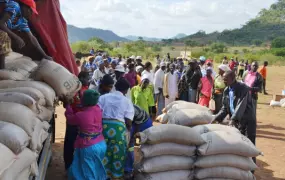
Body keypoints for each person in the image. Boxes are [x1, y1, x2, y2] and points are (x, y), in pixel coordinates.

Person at [214, 71, 257, 163]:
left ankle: (251, 170)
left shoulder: (243, 88)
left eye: (226, 79)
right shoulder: (227, 90)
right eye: (223, 79)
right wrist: (216, 118)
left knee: (249, 144)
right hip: (237, 121)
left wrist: (233, 119)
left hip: (247, 121)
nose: (224, 81)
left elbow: (241, 105)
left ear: (233, 78)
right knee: (239, 144)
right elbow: (225, 108)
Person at [64, 89, 107, 180]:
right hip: (101, 143)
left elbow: (70, 119)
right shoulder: (98, 109)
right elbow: (87, 108)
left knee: (88, 173)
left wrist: (68, 106)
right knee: (97, 168)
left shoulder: (80, 115)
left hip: (88, 147)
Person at [99, 78, 134, 179]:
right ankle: (115, 176)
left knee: (104, 152)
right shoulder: (127, 101)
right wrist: (128, 132)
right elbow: (128, 121)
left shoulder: (104, 97)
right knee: (118, 154)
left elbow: (97, 113)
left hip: (103, 128)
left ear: (115, 86)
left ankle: (102, 175)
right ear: (126, 90)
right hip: (118, 131)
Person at [63, 71, 89, 171]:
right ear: (81, 78)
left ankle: (73, 167)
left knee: (77, 145)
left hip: (79, 122)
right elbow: (65, 104)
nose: (88, 80)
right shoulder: (73, 89)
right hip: (75, 122)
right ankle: (69, 167)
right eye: (87, 78)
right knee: (72, 144)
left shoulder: (85, 89)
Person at [124, 105, 153, 178]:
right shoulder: (122, 109)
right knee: (131, 146)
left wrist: (132, 139)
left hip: (143, 124)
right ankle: (129, 168)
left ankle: (131, 168)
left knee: (138, 145)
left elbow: (137, 128)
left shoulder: (134, 111)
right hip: (134, 124)